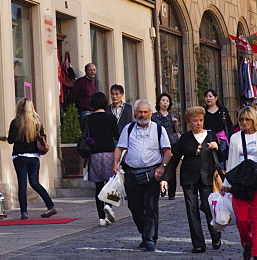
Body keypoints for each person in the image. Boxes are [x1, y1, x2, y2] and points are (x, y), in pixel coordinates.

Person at [163, 106, 225, 253]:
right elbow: (174, 160)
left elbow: (221, 158)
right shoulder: (185, 139)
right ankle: (198, 243)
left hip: (207, 178)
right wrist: (165, 179)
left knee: (208, 207)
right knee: (192, 211)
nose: (198, 123)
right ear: (188, 122)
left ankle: (215, 235)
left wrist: (217, 148)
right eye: (195, 121)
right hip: (188, 178)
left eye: (201, 120)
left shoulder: (211, 135)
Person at [114, 99, 171, 252]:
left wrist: (162, 167)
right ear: (135, 113)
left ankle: (150, 238)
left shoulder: (158, 129)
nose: (143, 114)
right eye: (140, 112)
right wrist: (115, 164)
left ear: (151, 114)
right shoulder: (129, 128)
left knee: (151, 206)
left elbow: (167, 151)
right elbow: (119, 148)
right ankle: (145, 233)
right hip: (132, 173)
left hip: (152, 173)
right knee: (135, 206)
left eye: (146, 112)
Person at [223, 106, 257, 260]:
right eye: (242, 119)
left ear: (254, 120)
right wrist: (226, 183)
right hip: (240, 180)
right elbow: (231, 162)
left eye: (247, 119)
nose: (244, 122)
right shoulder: (235, 138)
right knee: (242, 218)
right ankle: (248, 243)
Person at [7, 98, 57, 220]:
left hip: (20, 157)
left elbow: (10, 140)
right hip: (34, 157)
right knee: (35, 182)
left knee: (22, 185)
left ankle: (24, 212)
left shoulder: (16, 122)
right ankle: (50, 206)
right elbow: (42, 137)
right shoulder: (37, 122)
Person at [84, 91, 120, 226]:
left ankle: (101, 217)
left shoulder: (88, 119)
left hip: (95, 154)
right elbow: (117, 136)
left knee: (98, 186)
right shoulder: (110, 118)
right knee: (112, 183)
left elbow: (85, 136)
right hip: (110, 153)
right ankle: (109, 205)